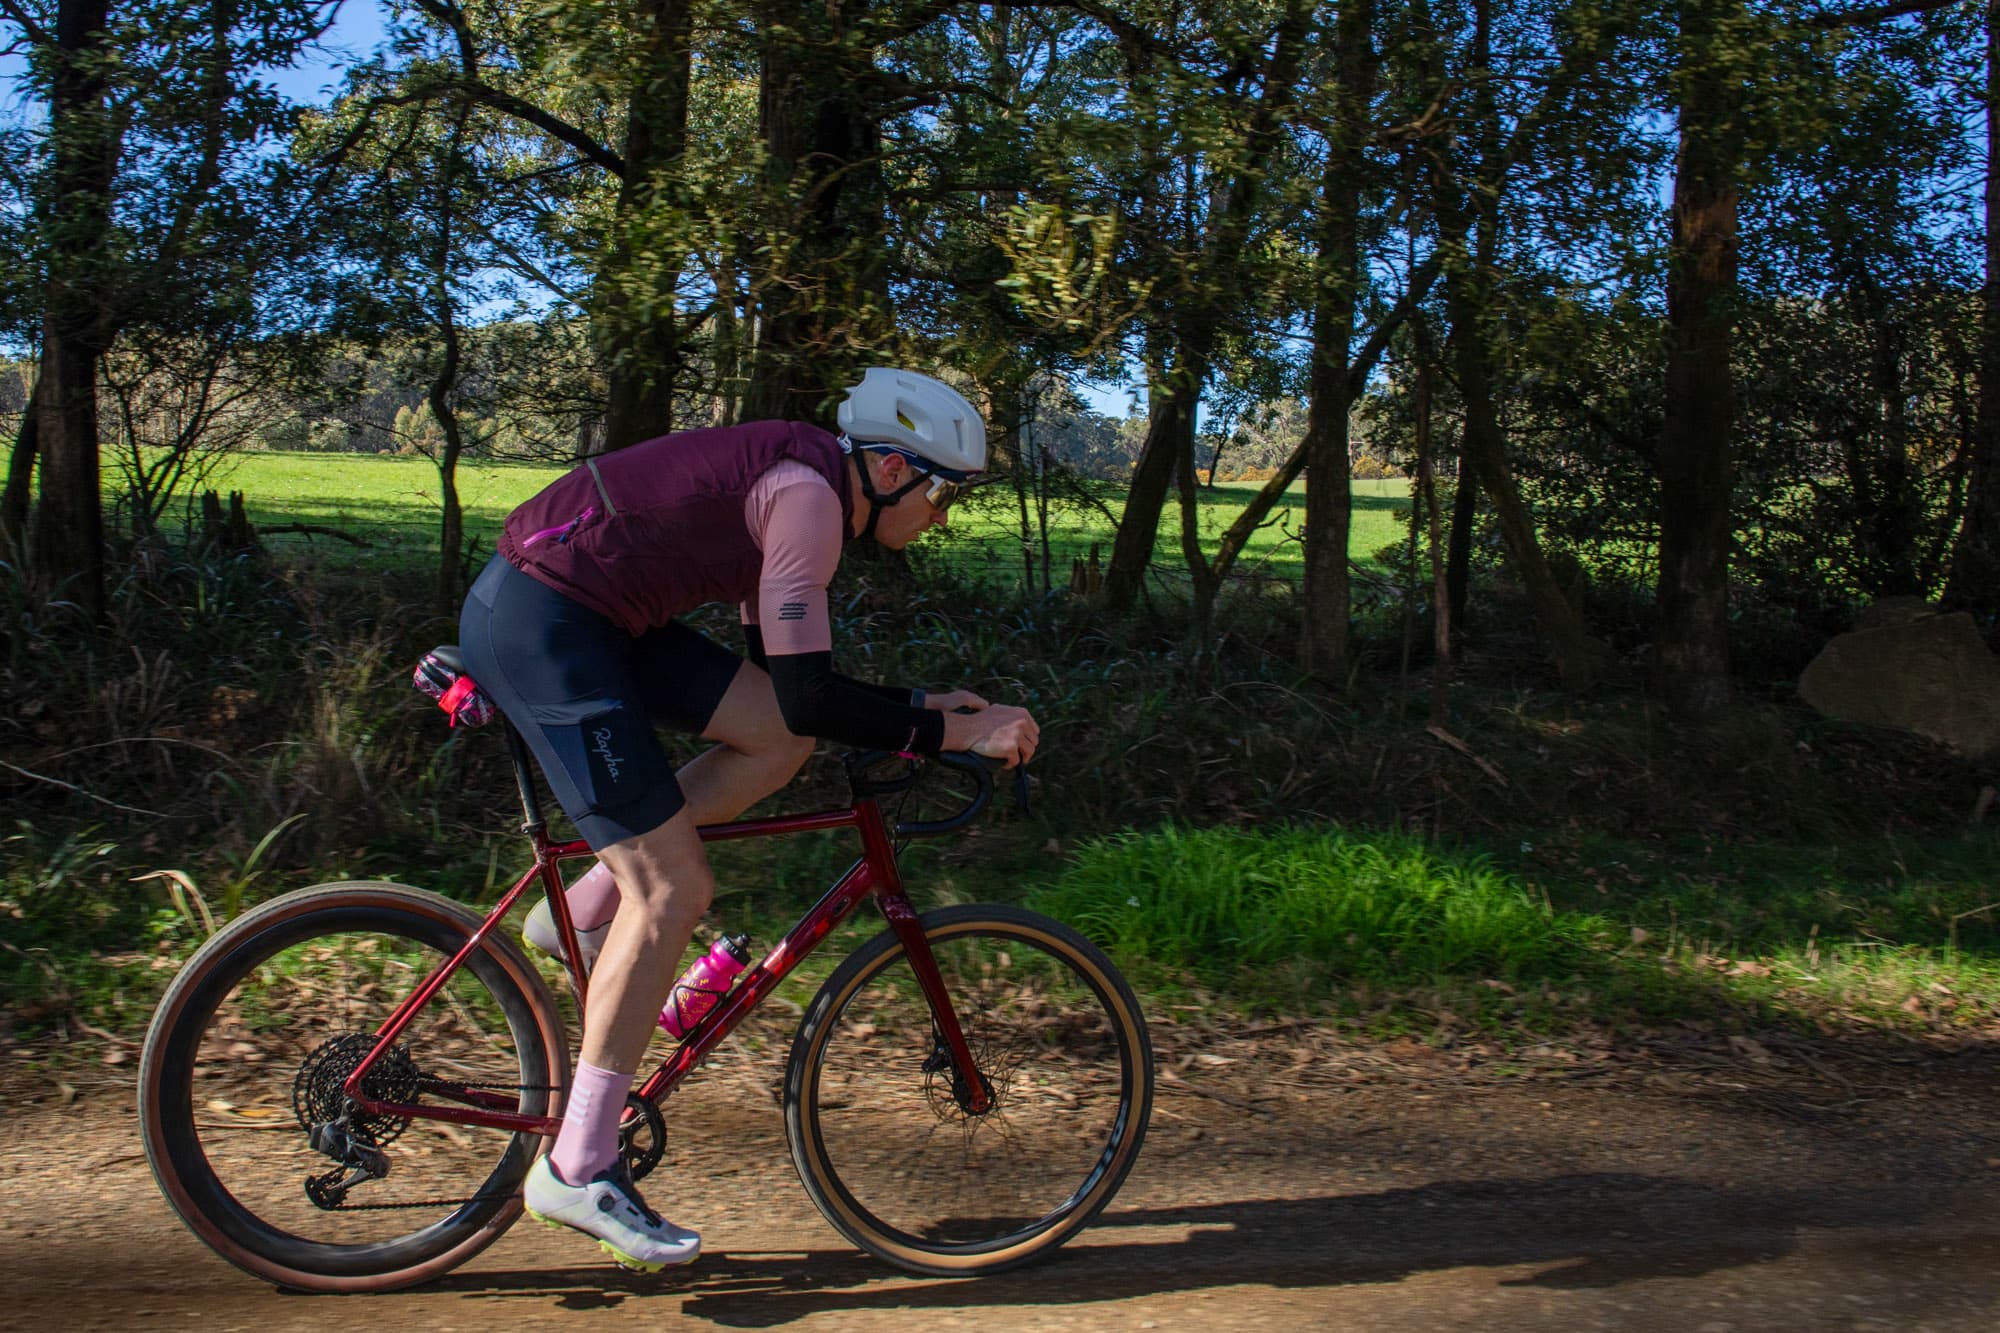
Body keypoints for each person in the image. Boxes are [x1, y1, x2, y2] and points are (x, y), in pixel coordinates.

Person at [457, 367, 1039, 1271]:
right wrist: (944, 731)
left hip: (585, 614)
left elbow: (787, 692)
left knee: (772, 739)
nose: (944, 514)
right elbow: (813, 693)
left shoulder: (804, 488)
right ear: (891, 471)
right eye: (943, 491)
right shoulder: (808, 500)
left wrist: (925, 706)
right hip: (552, 622)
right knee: (677, 888)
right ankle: (576, 1166)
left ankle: (581, 909)